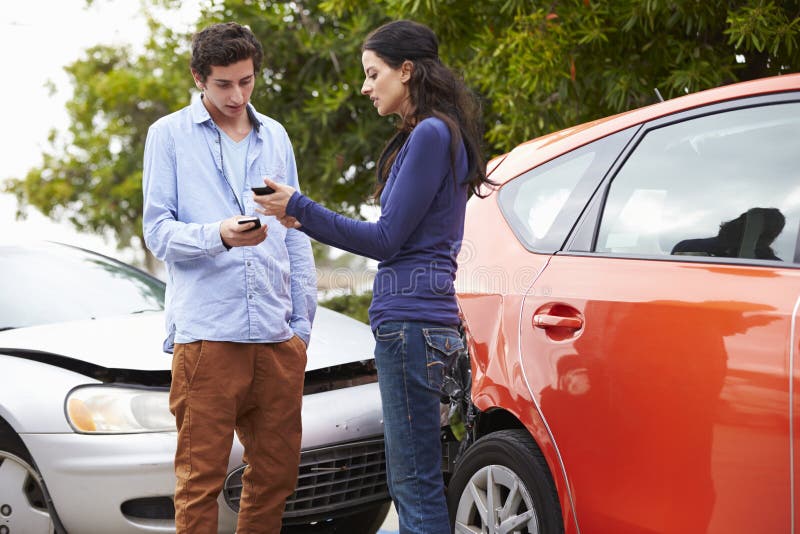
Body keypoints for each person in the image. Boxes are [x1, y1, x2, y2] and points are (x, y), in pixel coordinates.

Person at [255, 20, 491, 534]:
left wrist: (301, 206)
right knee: (421, 481)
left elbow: (386, 240)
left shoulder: (431, 133)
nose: (365, 86)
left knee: (415, 486)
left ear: (406, 71)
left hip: (410, 326)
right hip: (423, 323)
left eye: (372, 72)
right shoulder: (435, 134)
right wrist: (301, 215)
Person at [141, 22, 316, 534]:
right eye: (223, 84)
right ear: (199, 77)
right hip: (208, 338)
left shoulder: (276, 135)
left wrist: (301, 328)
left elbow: (295, 229)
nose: (237, 95)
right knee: (201, 482)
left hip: (277, 335)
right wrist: (219, 234)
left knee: (277, 476)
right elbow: (158, 232)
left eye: (247, 80)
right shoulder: (168, 134)